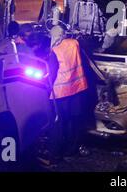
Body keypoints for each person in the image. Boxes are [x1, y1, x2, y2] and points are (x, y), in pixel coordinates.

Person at [45, 25, 88, 165]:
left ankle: (55, 154)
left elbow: (51, 73)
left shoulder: (54, 51)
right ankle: (72, 150)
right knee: (73, 122)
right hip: (77, 89)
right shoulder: (74, 44)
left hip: (61, 93)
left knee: (57, 124)